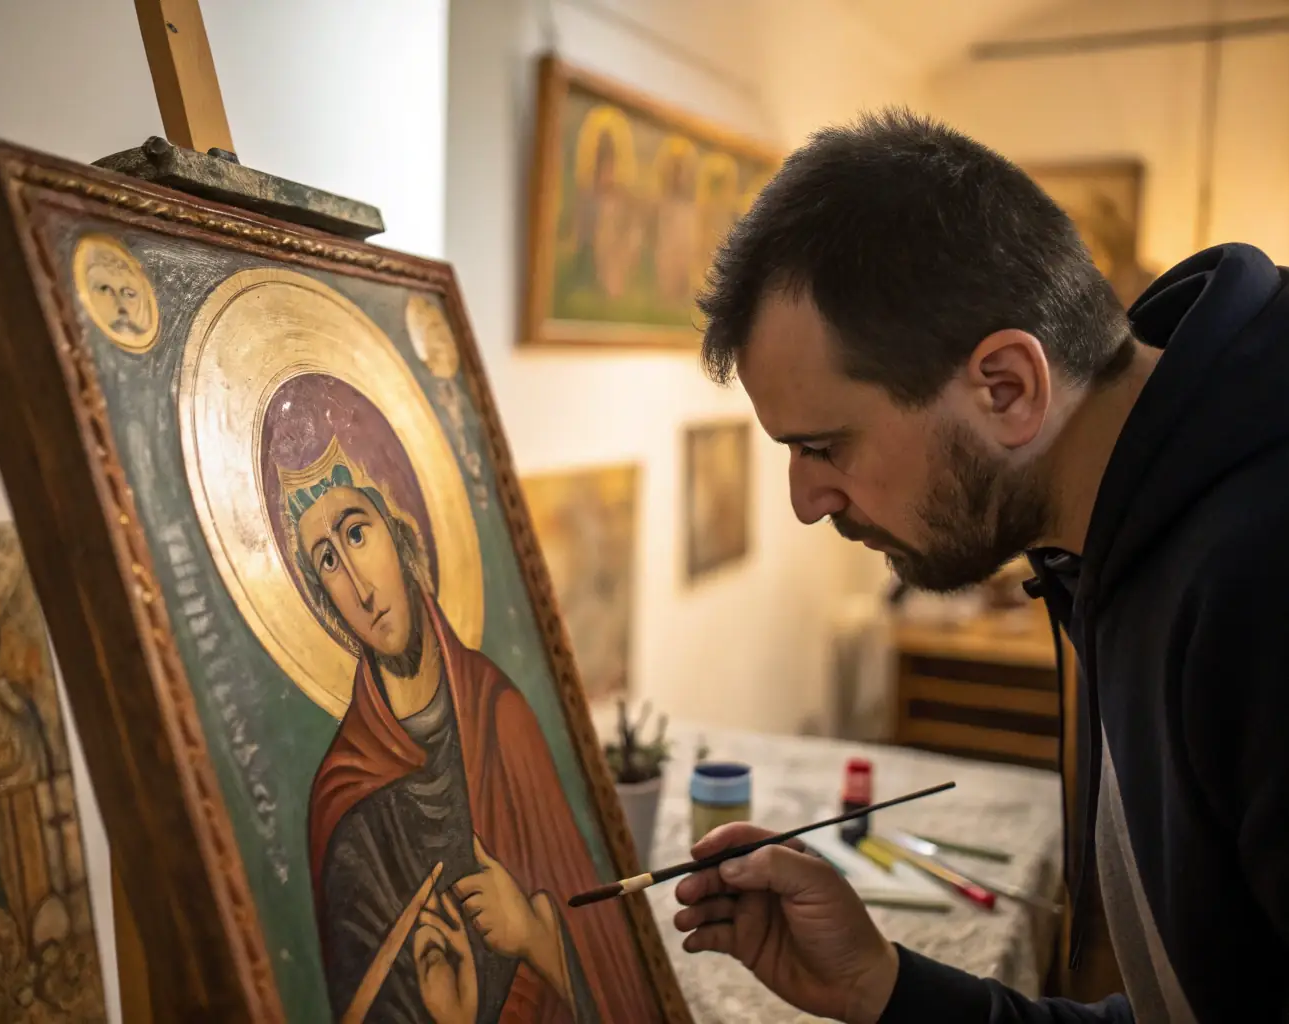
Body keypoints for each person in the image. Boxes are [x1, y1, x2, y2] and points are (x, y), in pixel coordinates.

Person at [673, 108, 1289, 1022]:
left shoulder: (1259, 581)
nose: (806, 501)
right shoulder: (1119, 533)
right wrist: (885, 989)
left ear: (1006, 387)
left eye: (824, 447)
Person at [280, 439, 653, 1023]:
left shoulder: (503, 716)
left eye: (356, 533)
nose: (359, 585)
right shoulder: (345, 812)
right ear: (322, 600)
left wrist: (532, 936)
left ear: (400, 533)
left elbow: (609, 970)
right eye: (328, 561)